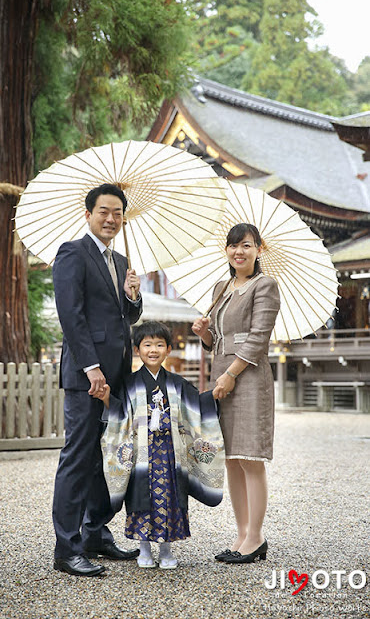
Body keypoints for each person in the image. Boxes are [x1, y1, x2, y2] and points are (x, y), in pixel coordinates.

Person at [52, 183, 143, 577]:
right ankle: (66, 548)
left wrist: (133, 297)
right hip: (86, 375)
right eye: (104, 211)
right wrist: (91, 369)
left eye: (118, 213)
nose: (111, 219)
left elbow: (127, 319)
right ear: (88, 213)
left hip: (120, 373)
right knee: (78, 457)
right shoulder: (72, 253)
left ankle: (94, 533)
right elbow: (71, 316)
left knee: (108, 460)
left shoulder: (121, 261)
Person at [100, 321, 225, 569]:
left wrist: (212, 396)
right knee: (140, 497)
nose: (153, 350)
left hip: (169, 452)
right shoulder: (130, 382)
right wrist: (107, 399)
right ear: (137, 350)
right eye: (147, 345)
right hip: (140, 454)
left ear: (168, 349)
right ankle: (144, 549)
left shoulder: (177, 383)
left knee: (169, 497)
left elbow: (196, 407)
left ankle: (166, 550)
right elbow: (121, 414)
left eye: (159, 345)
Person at [192, 223, 280, 564]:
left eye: (245, 245)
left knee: (250, 457)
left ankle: (256, 537)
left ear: (259, 249)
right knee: (230, 457)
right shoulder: (221, 286)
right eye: (232, 246)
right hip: (222, 378)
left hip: (249, 378)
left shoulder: (265, 285)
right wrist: (204, 334)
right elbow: (218, 340)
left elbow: (258, 338)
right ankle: (241, 533)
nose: (238, 252)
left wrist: (229, 375)